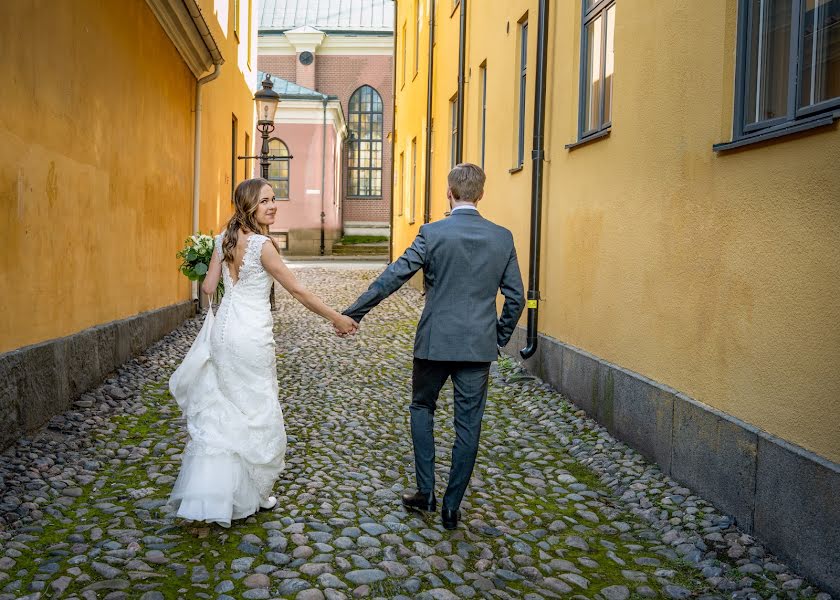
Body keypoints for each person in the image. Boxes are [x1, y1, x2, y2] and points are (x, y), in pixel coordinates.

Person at [342, 163, 525, 530]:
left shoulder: (432, 232)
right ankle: (452, 507)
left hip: (434, 343)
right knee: (468, 426)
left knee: (422, 408)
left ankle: (426, 492)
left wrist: (354, 313)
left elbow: (394, 275)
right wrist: (497, 337)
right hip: (477, 348)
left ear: (449, 192)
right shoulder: (502, 237)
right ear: (482, 194)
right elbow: (516, 298)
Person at [168, 177, 357, 528]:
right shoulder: (262, 245)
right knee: (256, 406)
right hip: (250, 334)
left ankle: (217, 494)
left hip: (224, 331)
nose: (272, 206)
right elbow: (298, 291)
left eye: (274, 199)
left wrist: (210, 261)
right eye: (265, 201)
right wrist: (337, 317)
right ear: (249, 206)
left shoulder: (221, 240)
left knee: (227, 407)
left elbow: (208, 289)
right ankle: (251, 492)